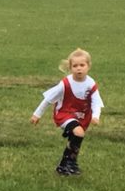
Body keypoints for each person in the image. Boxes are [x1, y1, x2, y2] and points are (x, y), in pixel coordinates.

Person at [30, 48, 103, 176]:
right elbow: (48, 99)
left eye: (82, 65)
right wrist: (37, 114)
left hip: (82, 116)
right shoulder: (65, 84)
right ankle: (71, 162)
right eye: (75, 66)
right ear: (70, 67)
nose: (79, 68)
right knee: (78, 132)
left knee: (78, 135)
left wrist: (96, 116)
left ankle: (65, 165)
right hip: (65, 114)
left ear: (88, 66)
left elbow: (96, 102)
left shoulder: (91, 84)